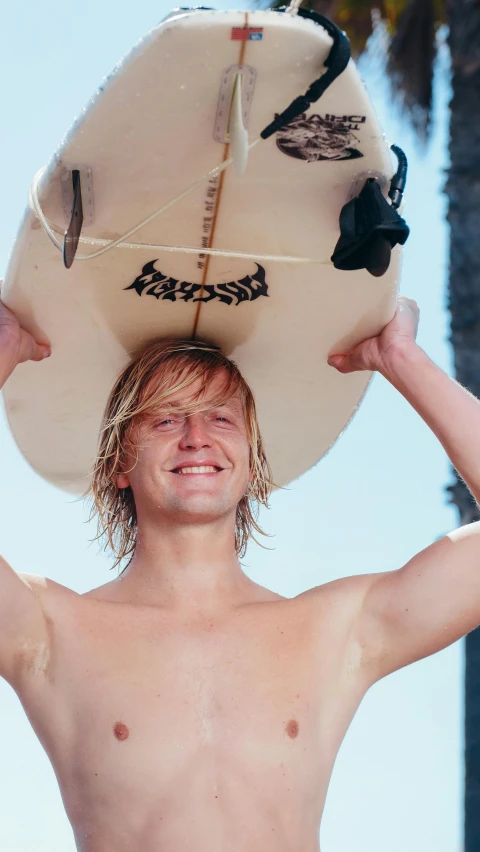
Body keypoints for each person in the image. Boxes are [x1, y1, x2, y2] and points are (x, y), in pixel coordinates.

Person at [1, 287, 479, 852]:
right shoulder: (48, 629)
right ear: (117, 464)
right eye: (165, 420)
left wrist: (402, 360)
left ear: (251, 462)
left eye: (221, 418)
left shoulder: (336, 631)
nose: (196, 436)